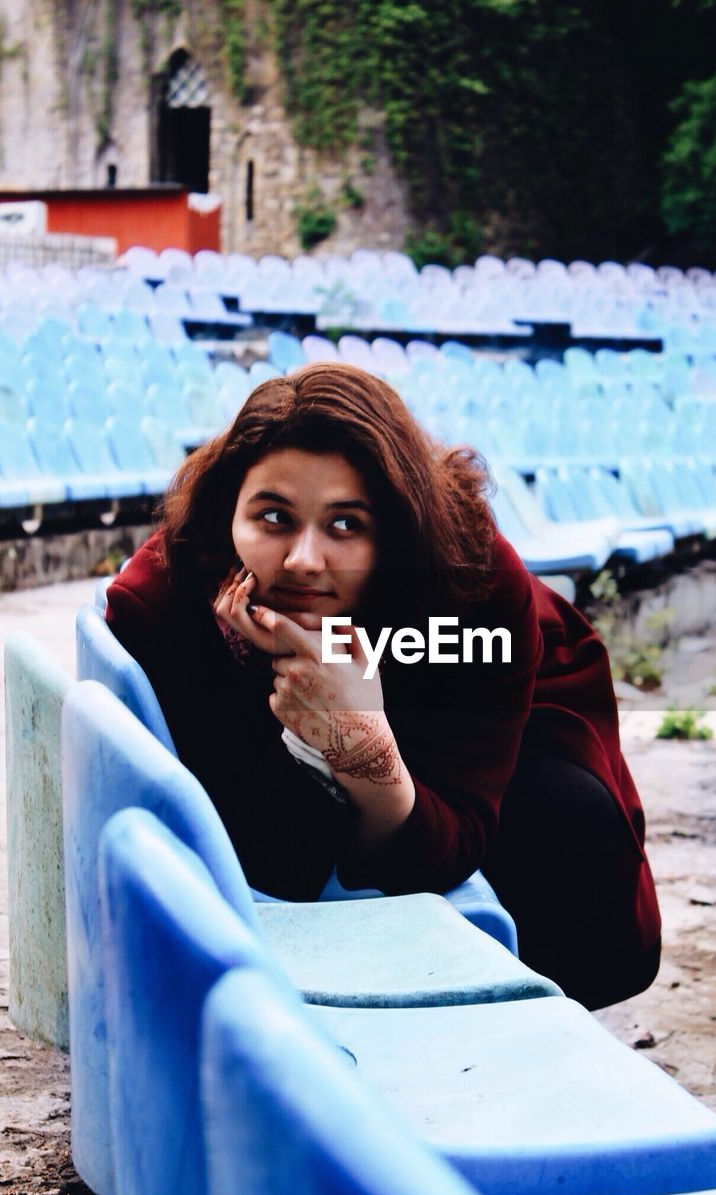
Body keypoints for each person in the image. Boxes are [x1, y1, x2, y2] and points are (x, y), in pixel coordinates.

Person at [106, 363, 660, 1008]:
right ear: (227, 515)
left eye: (346, 525)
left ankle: (528, 1032)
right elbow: (270, 858)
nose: (303, 560)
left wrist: (361, 743)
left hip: (475, 670)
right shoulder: (165, 601)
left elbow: (445, 846)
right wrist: (288, 690)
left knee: (560, 814)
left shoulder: (475, 578)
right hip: (334, 724)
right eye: (273, 517)